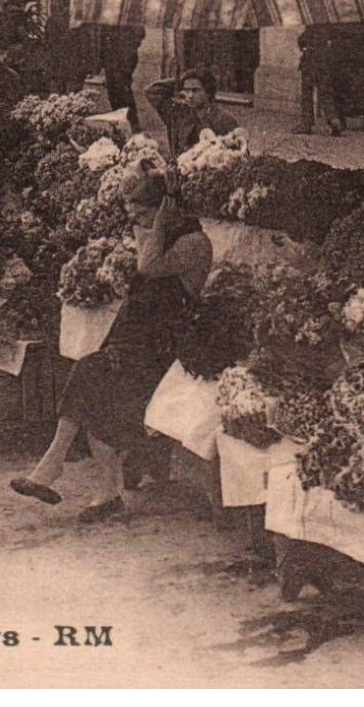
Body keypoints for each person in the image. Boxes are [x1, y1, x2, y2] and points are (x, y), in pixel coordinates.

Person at [11, 166, 213, 521]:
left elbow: (148, 267)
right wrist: (150, 224)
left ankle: (59, 467)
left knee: (91, 374)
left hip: (164, 346)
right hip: (135, 339)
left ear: (168, 208)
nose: (140, 222)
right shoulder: (160, 233)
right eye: (134, 215)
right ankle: (101, 491)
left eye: (146, 213)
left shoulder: (194, 243)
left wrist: (158, 223)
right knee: (93, 381)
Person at [144, 68, 240, 158]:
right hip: (178, 169)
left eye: (195, 91)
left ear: (208, 92)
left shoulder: (224, 119)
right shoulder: (177, 114)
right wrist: (180, 82)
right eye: (186, 90)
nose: (190, 96)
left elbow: (238, 153)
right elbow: (152, 91)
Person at [295, 26, 344, 136]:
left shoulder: (312, 24)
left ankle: (306, 123)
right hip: (325, 62)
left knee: (307, 93)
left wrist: (302, 45)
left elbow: (302, 39)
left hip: (310, 61)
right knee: (326, 93)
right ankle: (333, 119)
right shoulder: (329, 25)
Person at [97, 25, 146, 129]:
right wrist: (102, 60)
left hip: (125, 56)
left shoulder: (131, 12)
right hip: (110, 55)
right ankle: (119, 124)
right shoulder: (109, 14)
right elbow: (103, 34)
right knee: (112, 91)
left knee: (123, 89)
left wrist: (130, 48)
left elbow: (140, 33)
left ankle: (133, 125)